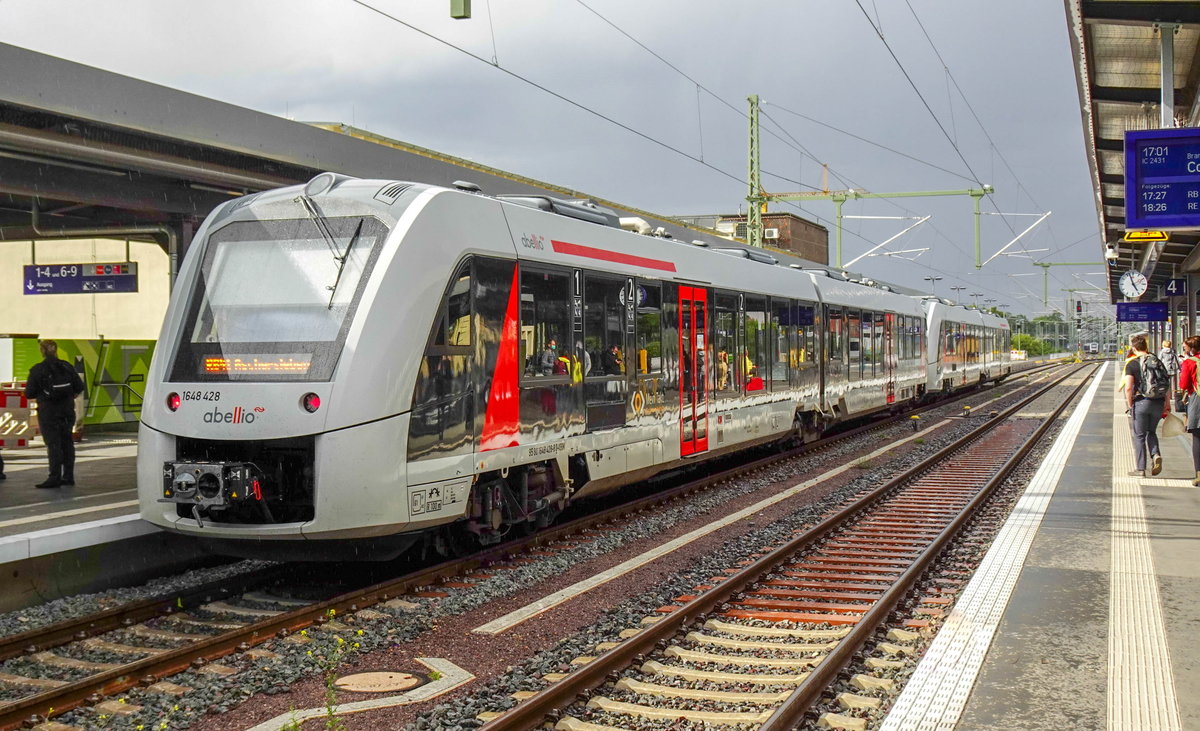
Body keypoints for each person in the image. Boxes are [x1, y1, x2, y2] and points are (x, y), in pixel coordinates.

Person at [24, 340, 84, 489]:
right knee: (67, 443)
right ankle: (68, 476)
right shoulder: (66, 366)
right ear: (56, 350)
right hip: (67, 411)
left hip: (48, 412)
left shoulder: (37, 370)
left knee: (53, 444)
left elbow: (29, 393)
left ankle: (54, 477)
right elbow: (79, 386)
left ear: (42, 351)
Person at [1124, 333, 1170, 478]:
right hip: (1158, 402)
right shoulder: (1157, 361)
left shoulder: (1132, 364)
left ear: (1134, 348)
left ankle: (1140, 469)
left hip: (1141, 402)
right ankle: (1155, 454)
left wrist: (1130, 404)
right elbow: (1165, 384)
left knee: (1139, 436)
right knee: (1151, 431)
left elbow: (1128, 388)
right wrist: (1167, 404)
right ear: (1145, 346)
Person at [1179, 336, 1200, 486]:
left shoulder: (1189, 363)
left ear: (1192, 349)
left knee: (1198, 437)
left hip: (1197, 400)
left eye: (1185, 347)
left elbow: (1184, 383)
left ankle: (1199, 474)